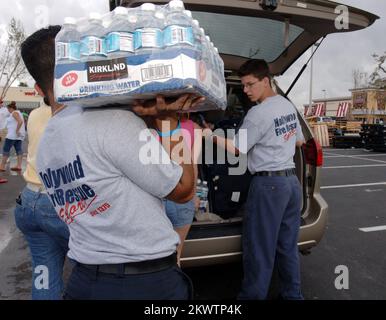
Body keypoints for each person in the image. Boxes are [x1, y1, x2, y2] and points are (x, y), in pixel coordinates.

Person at [21, 25, 203, 300]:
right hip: (144, 283)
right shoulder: (111, 122)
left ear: (38, 88)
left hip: (84, 282)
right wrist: (172, 121)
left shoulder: (46, 144)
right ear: (82, 62)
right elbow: (184, 190)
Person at [204, 59, 305, 300]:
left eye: (250, 85)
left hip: (269, 186)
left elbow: (238, 149)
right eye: (244, 85)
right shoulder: (287, 105)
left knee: (259, 249)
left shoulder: (257, 113)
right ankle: (293, 296)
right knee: (287, 247)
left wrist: (210, 135)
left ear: (265, 81)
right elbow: (300, 142)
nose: (246, 90)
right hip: (291, 185)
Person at [14, 102, 70, 300]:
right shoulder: (77, 112)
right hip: (62, 201)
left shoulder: (36, 114)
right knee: (97, 271)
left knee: (44, 274)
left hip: (30, 198)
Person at [148, 112, 203, 265]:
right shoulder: (195, 129)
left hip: (155, 197)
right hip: (182, 196)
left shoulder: (148, 124)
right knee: (176, 256)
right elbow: (193, 166)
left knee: (152, 258)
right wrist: (193, 193)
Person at [0, 101, 26, 172]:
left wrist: (17, 130)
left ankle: (2, 166)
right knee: (18, 150)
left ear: (11, 108)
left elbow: (20, 121)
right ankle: (19, 166)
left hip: (12, 135)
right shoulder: (19, 113)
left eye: (8, 109)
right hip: (18, 136)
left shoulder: (14, 113)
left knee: (6, 149)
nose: (8, 111)